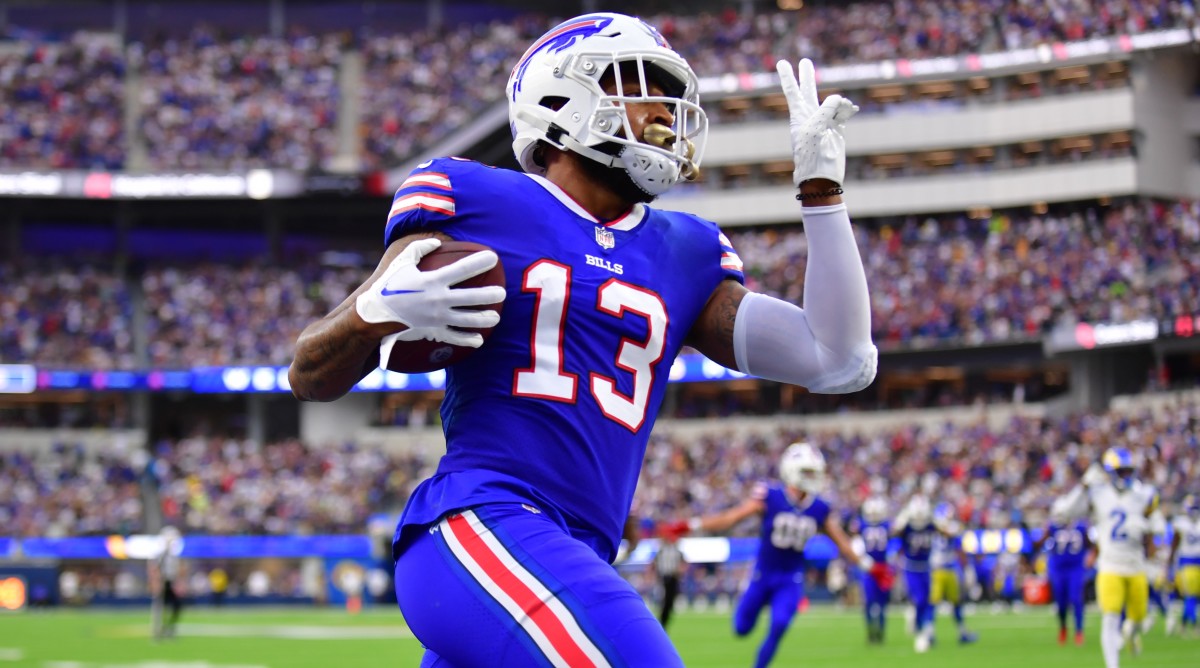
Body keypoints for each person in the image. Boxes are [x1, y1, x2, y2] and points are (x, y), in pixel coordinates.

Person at [288, 12, 876, 666]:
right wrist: (371, 313)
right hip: (481, 521)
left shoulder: (686, 250)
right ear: (562, 96)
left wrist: (822, 195)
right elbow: (310, 374)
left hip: (572, 553)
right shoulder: (472, 196)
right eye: (641, 85)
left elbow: (838, 359)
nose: (663, 110)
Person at [675, 442, 872, 668]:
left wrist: (870, 566)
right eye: (807, 471)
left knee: (779, 624)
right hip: (762, 574)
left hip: (790, 578)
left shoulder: (819, 508)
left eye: (814, 472)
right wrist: (692, 524)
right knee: (741, 628)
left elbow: (843, 544)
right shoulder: (771, 496)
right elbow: (732, 517)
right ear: (791, 469)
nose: (812, 477)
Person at [1060, 446, 1159, 668]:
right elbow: (1066, 511)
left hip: (1135, 565)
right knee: (1110, 618)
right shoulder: (1098, 494)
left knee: (1140, 620)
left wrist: (1150, 540)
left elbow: (1151, 525)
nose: (1125, 475)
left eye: (1127, 471)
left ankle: (1131, 634)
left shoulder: (1142, 495)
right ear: (1110, 472)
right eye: (1120, 471)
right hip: (1110, 565)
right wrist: (1084, 485)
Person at [1030, 497, 1090, 645]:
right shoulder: (1053, 527)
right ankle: (1063, 627)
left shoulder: (1081, 527)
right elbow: (1038, 544)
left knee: (1076, 599)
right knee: (1061, 603)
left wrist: (1091, 557)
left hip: (1075, 568)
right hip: (1058, 569)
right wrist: (1044, 530)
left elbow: (1090, 544)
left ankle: (1079, 631)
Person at [928, 502, 978, 646]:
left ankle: (962, 632)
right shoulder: (937, 527)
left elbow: (958, 546)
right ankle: (930, 633)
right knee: (933, 603)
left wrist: (967, 568)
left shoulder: (942, 527)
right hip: (938, 570)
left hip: (947, 568)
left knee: (955, 603)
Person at [893, 495, 937, 653]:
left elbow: (949, 532)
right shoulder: (906, 526)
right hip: (911, 567)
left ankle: (924, 626)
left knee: (926, 600)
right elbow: (893, 532)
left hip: (926, 567)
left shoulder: (931, 523)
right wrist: (902, 519)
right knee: (918, 599)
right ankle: (920, 631)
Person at [858, 496, 894, 644]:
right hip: (870, 568)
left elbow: (894, 543)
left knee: (882, 604)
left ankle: (880, 632)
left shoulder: (886, 525)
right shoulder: (862, 525)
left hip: (883, 567)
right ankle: (871, 631)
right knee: (869, 602)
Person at [1166, 493, 1200, 636]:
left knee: (1190, 596)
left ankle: (1187, 623)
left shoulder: (1181, 524)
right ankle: (1190, 624)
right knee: (1192, 596)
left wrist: (1170, 561)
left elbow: (1174, 545)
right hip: (1193, 563)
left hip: (1187, 563)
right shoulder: (1185, 524)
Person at [150, 526, 183, 640]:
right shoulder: (162, 555)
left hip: (169, 583)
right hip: (163, 583)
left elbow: (175, 572)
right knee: (160, 608)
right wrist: (157, 583)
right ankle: (158, 631)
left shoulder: (173, 556)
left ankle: (168, 628)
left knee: (176, 606)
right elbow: (155, 569)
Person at [652, 522, 687, 629]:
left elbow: (682, 563)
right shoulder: (662, 551)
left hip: (673, 577)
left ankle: (664, 620)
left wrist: (680, 571)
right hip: (665, 576)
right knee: (666, 600)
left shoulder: (676, 551)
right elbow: (655, 563)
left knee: (670, 600)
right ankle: (663, 621)